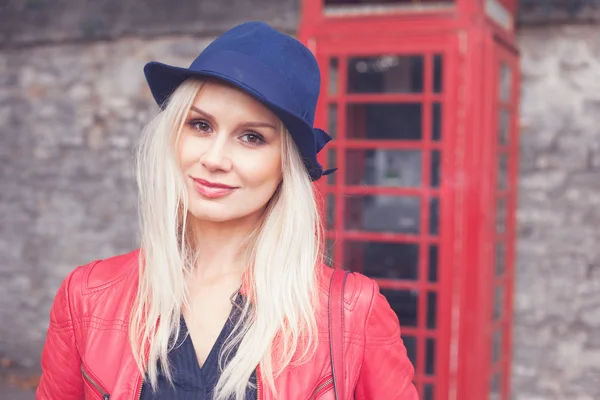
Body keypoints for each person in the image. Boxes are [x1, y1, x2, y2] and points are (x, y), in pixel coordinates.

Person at [36, 21, 418, 400]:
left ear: (286, 165)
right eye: (200, 125)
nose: (215, 159)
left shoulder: (353, 313)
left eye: (252, 137)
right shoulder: (86, 296)